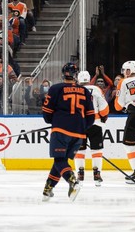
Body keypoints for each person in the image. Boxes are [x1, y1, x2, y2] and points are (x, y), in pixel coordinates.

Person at [42, 63, 95, 201]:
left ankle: (72, 181)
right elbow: (91, 117)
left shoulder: (55, 89)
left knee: (59, 160)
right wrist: (81, 127)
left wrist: (54, 122)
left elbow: (47, 113)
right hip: (79, 134)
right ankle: (48, 189)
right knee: (62, 160)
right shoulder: (85, 91)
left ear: (63, 74)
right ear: (76, 76)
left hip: (61, 130)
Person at [74, 70, 109, 186]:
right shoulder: (97, 89)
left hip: (79, 125)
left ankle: (80, 174)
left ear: (78, 79)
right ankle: (97, 174)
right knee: (96, 150)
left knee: (80, 150)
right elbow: (104, 107)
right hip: (95, 123)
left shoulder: (74, 90)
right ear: (89, 79)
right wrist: (103, 117)